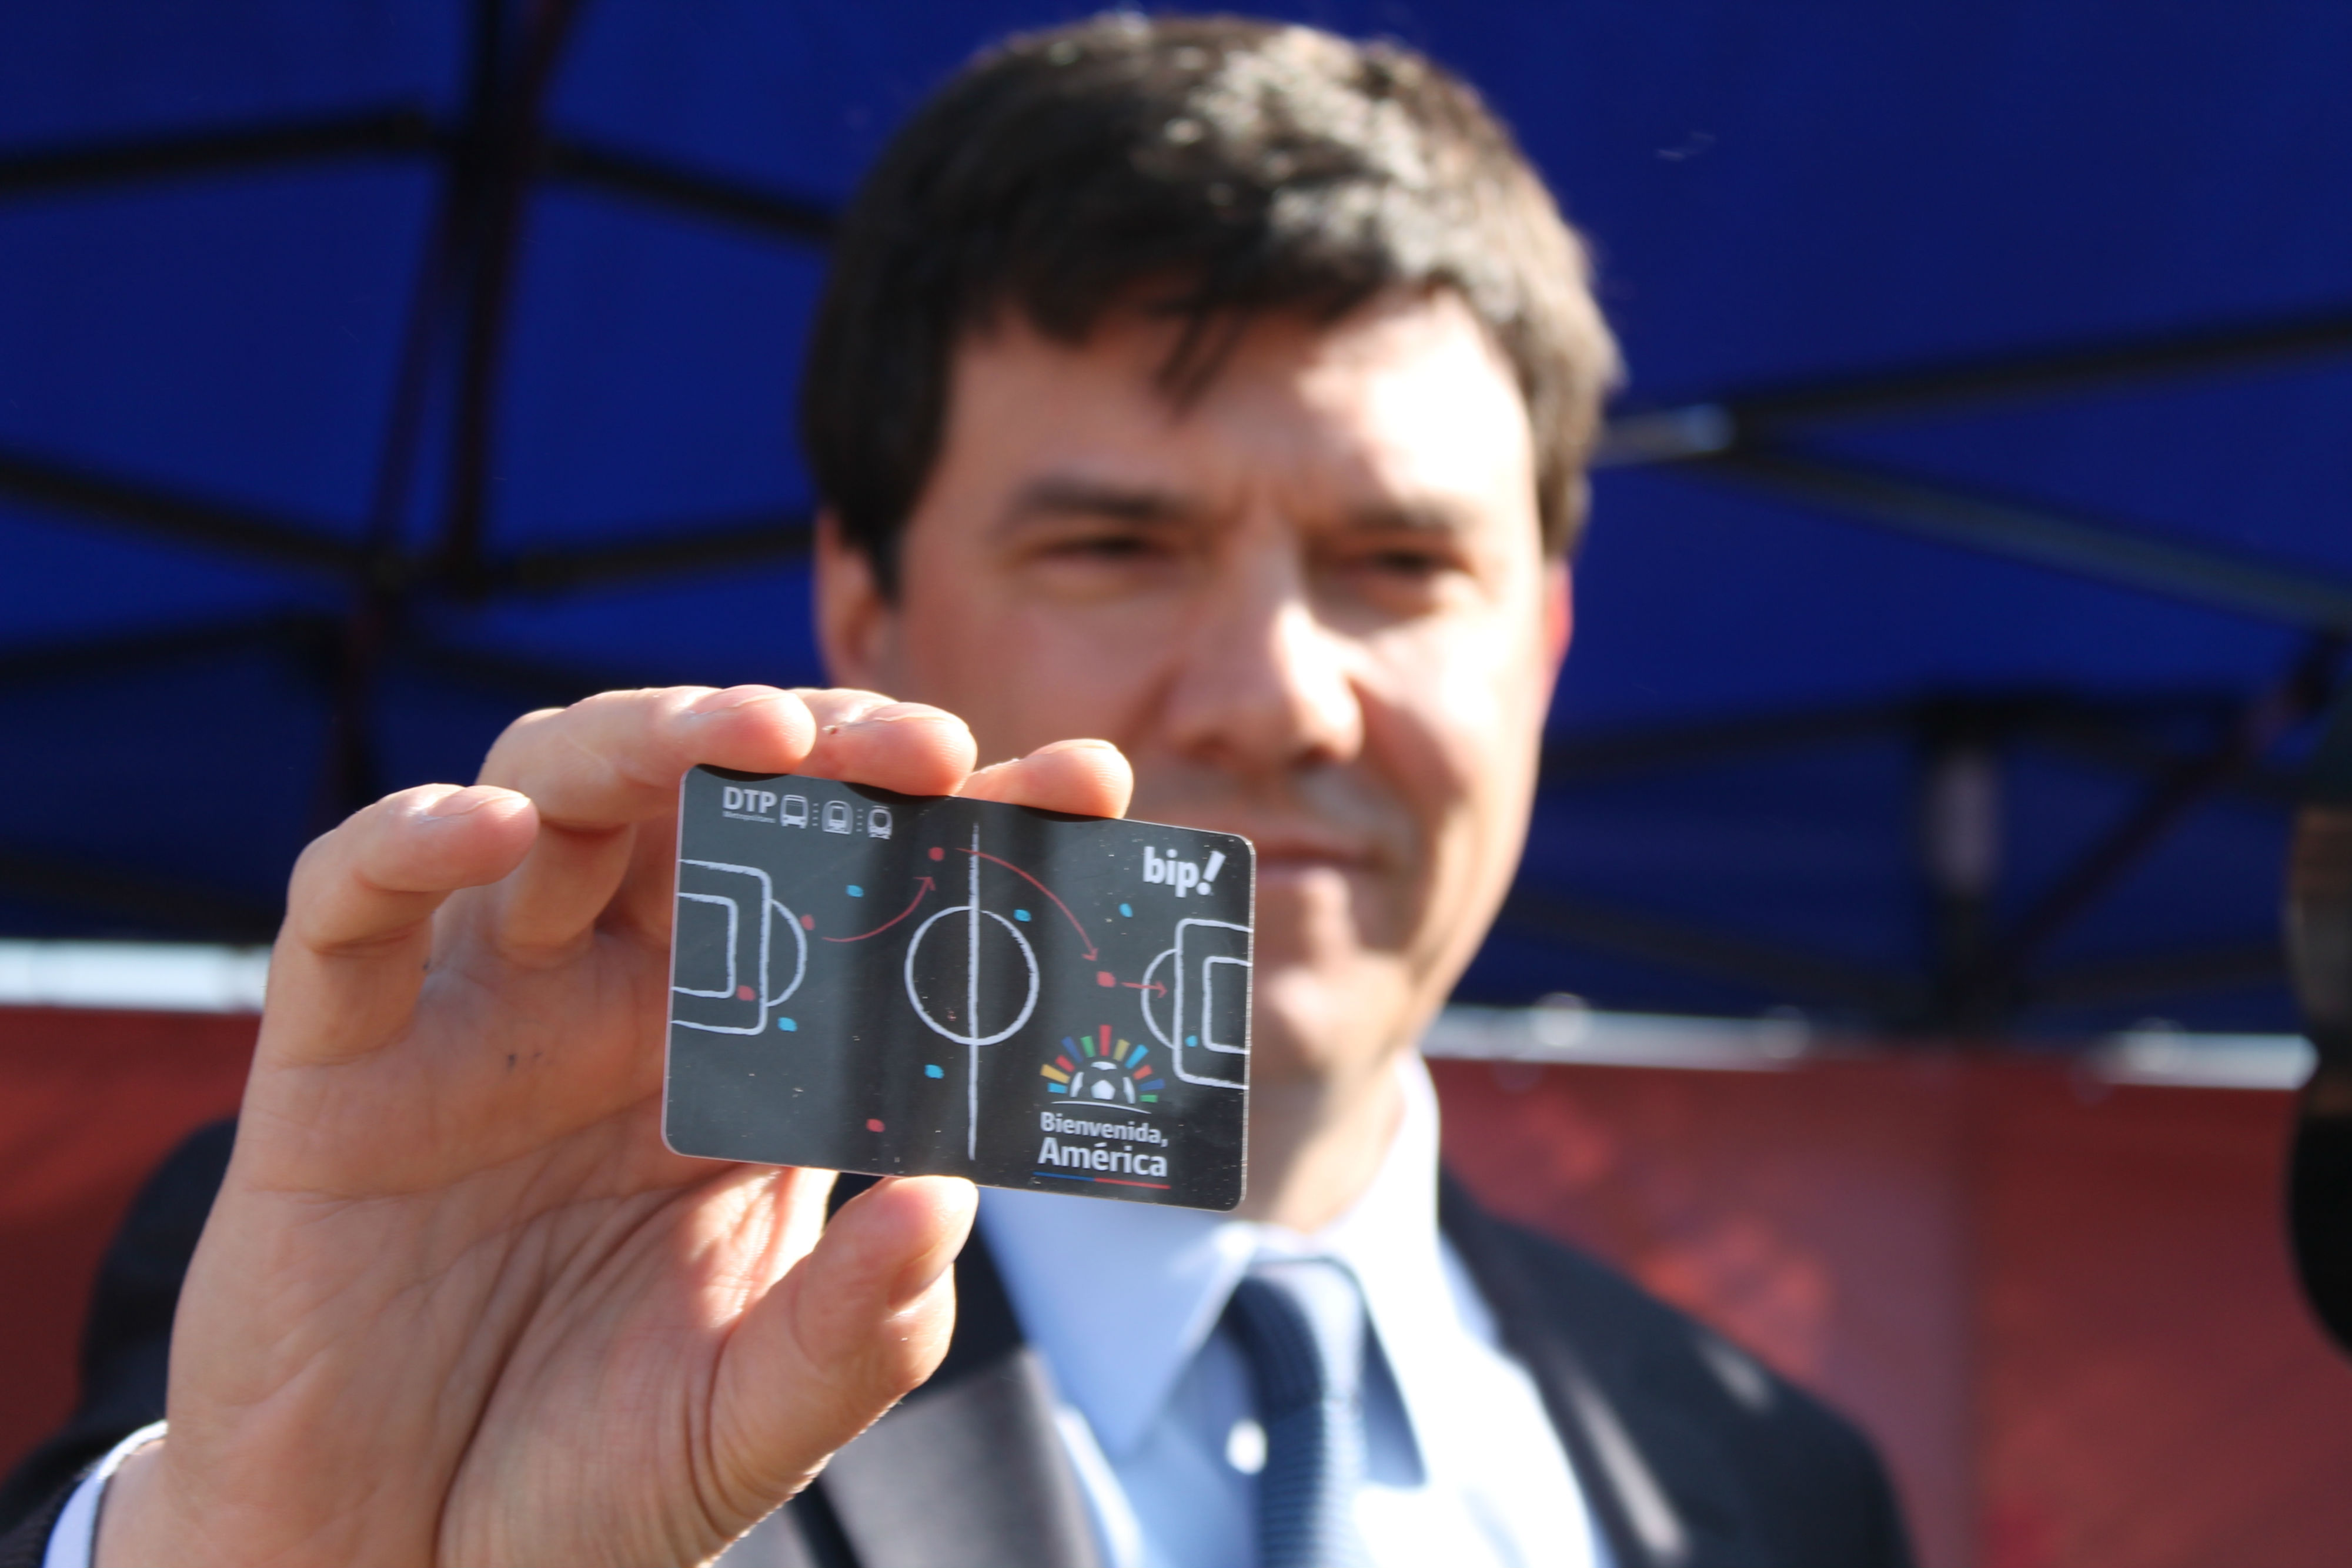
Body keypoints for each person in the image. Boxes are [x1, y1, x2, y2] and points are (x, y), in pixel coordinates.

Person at [1, 15, 1914, 1568]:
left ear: (1547, 634)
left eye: (1400, 564)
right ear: (867, 609)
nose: (1280, 697)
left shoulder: (1776, 1486)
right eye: (1116, 547)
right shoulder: (504, 1291)